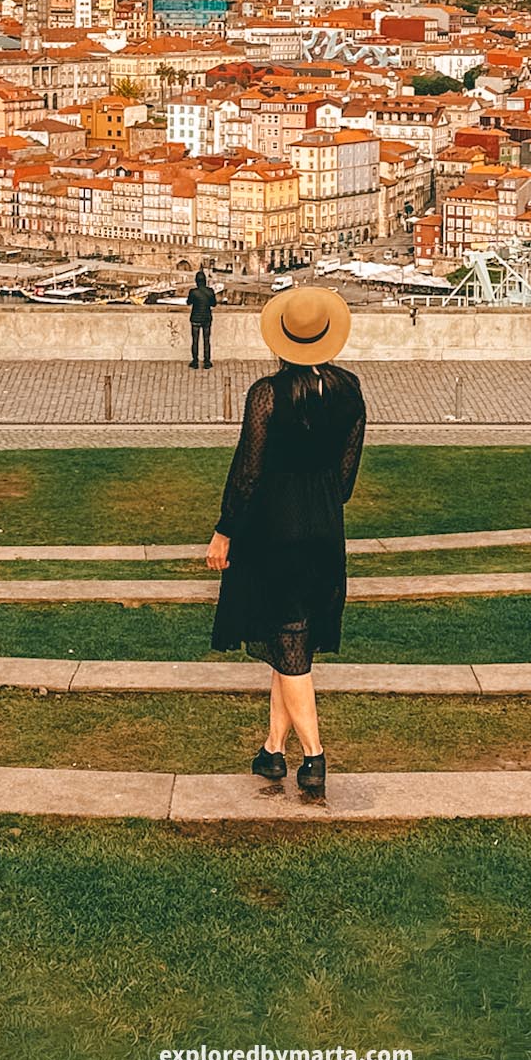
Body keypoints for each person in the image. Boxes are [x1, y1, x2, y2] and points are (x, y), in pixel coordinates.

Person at [205, 284, 365, 794]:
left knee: (291, 644)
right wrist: (320, 498)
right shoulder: (349, 391)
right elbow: (346, 479)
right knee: (290, 640)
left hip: (276, 532)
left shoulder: (267, 395)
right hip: (324, 529)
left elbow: (247, 471)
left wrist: (225, 529)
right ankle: (273, 751)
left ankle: (314, 758)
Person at [186, 267, 217, 369]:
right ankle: (207, 361)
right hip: (207, 318)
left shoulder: (193, 292)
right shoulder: (210, 291)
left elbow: (188, 302)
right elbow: (214, 304)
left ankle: (195, 362)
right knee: (206, 340)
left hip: (195, 318)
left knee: (195, 341)